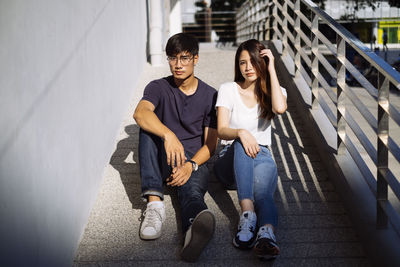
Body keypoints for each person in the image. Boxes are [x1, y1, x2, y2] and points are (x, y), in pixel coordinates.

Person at [133, 33, 218, 262]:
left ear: (196, 59)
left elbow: (211, 144)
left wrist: (190, 166)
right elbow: (140, 113)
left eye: (184, 58)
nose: (178, 64)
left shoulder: (211, 96)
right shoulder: (158, 87)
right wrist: (168, 135)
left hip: (193, 159)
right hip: (164, 155)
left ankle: (194, 228)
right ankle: (154, 205)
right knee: (147, 129)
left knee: (191, 195)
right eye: (172, 58)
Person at [213, 39, 287, 260]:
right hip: (230, 158)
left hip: (262, 154)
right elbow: (222, 130)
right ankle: (247, 213)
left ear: (262, 63)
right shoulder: (228, 89)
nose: (248, 68)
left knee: (264, 194)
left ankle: (267, 235)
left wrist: (272, 67)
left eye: (254, 62)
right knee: (241, 141)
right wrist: (241, 133)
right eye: (243, 63)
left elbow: (280, 108)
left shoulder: (275, 90)